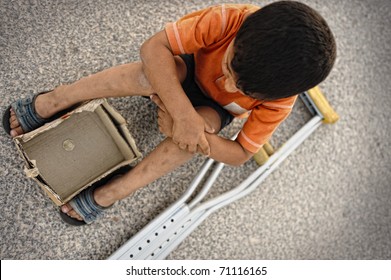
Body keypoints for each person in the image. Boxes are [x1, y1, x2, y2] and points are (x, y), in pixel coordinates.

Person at [2, 1, 336, 225]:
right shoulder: (229, 19)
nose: (231, 85)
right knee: (153, 73)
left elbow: (239, 154)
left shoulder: (282, 100)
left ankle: (118, 189)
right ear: (243, 32)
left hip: (211, 111)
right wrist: (181, 116)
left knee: (199, 134)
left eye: (246, 92)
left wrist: (194, 134)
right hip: (182, 69)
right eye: (231, 67)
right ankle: (58, 98)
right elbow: (153, 48)